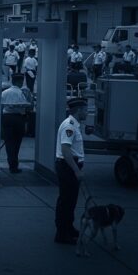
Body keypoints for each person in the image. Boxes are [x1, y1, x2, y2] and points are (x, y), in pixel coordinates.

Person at [54, 97, 88, 245]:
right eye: (85, 110)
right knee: (66, 201)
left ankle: (68, 228)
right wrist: (77, 171)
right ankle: (62, 234)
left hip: (70, 166)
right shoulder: (70, 126)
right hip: (68, 167)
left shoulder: (74, 125)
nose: (87, 112)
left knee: (71, 201)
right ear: (79, 110)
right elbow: (66, 150)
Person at [1, 74, 32, 174]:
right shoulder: (22, 93)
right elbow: (29, 107)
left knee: (9, 142)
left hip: (7, 118)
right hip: (19, 118)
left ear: (12, 81)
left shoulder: (5, 92)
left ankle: (11, 163)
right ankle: (14, 164)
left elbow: (0, 106)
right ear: (21, 82)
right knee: (17, 142)